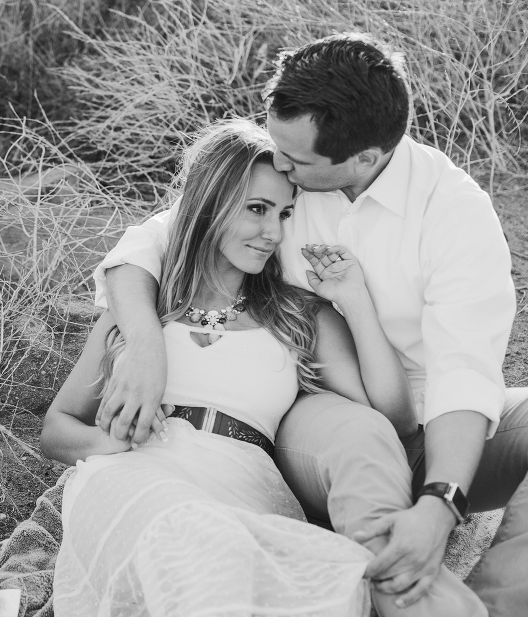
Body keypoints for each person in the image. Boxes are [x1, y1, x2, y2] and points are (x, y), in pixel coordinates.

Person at [93, 33, 528, 616]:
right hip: (322, 414)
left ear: (365, 158)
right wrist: (145, 345)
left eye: (297, 160)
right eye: (277, 144)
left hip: (433, 430)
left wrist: (441, 501)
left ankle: (503, 606)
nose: (279, 163)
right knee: (362, 433)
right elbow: (146, 247)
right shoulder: (279, 183)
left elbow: (463, 369)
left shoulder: (454, 211)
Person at [40, 119, 417, 616]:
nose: (273, 232)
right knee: (186, 531)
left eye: (284, 213)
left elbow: (391, 415)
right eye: (257, 209)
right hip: (133, 479)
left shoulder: (298, 313)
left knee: (247, 561)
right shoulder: (141, 307)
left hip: (243, 484)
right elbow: (55, 429)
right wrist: (107, 444)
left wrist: (355, 300)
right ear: (210, 205)